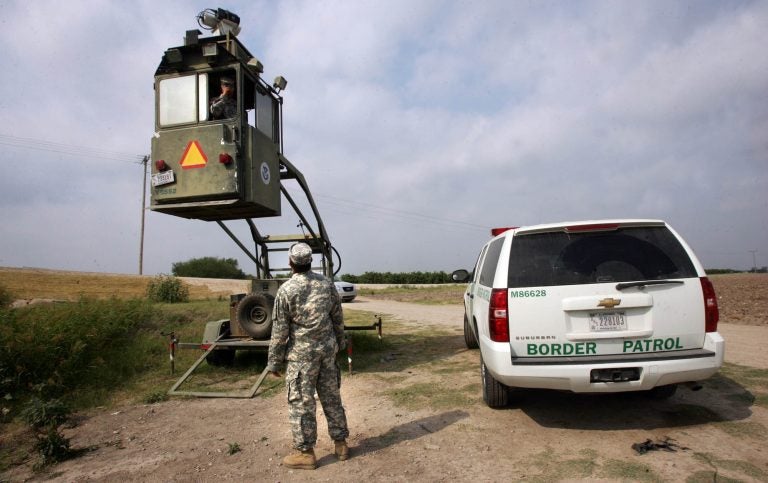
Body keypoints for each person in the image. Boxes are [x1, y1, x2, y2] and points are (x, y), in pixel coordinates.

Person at [267, 243, 350, 470]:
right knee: (332, 397)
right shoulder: (327, 285)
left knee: (302, 403)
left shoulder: (286, 290)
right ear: (310, 261)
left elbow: (279, 330)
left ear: (290, 263)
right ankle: (341, 445)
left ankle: (305, 453)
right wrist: (340, 343)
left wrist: (274, 362)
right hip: (327, 352)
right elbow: (337, 318)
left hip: (302, 357)